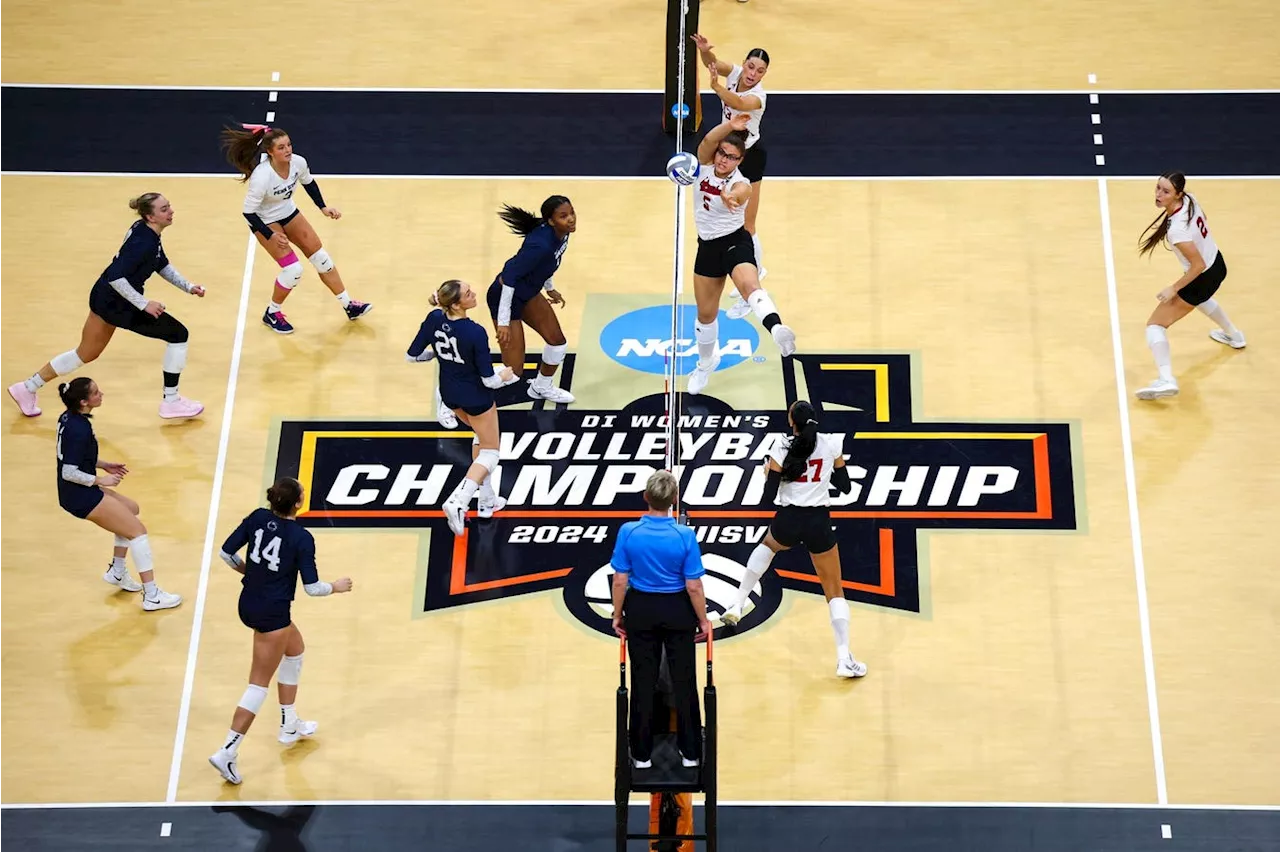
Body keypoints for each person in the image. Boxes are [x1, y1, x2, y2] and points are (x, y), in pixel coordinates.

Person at [209, 477, 353, 785]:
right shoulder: (301, 537)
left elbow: (226, 553)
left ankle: (289, 723)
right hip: (272, 613)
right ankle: (227, 751)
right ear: (298, 503)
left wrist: (249, 571)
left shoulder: (258, 517)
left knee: (296, 650)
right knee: (257, 686)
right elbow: (313, 588)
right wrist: (337, 588)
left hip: (248, 601)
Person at [8, 194, 206, 420]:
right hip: (119, 302)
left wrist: (188, 286)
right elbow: (116, 277)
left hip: (103, 297)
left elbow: (160, 263)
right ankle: (171, 402)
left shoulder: (145, 231)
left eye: (168, 206)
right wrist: (144, 304)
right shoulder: (144, 243)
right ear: (150, 216)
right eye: (164, 209)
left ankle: (27, 387)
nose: (171, 211)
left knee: (85, 353)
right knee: (178, 335)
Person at [723, 400, 867, 679]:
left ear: (792, 423)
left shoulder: (780, 447)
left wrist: (770, 474)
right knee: (834, 590)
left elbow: (768, 497)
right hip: (818, 522)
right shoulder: (830, 444)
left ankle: (737, 603)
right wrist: (823, 475)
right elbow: (845, 486)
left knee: (767, 546)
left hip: (789, 519)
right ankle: (843, 658)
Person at [221, 124, 373, 335]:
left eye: (289, 145)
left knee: (322, 259)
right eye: (281, 147)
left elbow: (309, 183)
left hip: (288, 212)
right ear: (270, 152)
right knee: (293, 270)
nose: (288, 150)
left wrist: (323, 207)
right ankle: (272, 313)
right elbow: (248, 213)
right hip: (264, 221)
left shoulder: (298, 163)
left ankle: (349, 305)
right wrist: (270, 234)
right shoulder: (261, 177)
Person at [687, 115, 796, 396]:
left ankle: (777, 330)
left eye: (732, 157)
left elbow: (740, 194)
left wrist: (731, 198)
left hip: (734, 243)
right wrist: (730, 126)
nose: (724, 160)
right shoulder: (703, 167)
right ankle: (706, 363)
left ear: (739, 161)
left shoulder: (742, 182)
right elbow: (709, 140)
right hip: (707, 247)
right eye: (722, 153)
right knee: (705, 316)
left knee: (750, 287)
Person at [52, 377, 183, 610]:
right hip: (78, 495)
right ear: (83, 402)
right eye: (95, 392)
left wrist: (102, 464)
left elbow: (77, 457)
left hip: (79, 489)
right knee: (138, 532)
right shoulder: (78, 429)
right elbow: (69, 472)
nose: (101, 394)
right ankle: (152, 595)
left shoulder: (69, 418)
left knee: (131, 509)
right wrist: (101, 480)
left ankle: (118, 571)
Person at [610, 470, 711, 770]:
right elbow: (693, 585)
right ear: (674, 501)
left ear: (646, 497)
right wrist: (703, 621)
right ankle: (691, 752)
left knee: (642, 682)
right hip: (677, 611)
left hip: (641, 610)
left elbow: (619, 580)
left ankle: (640, 755)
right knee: (684, 681)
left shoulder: (629, 532)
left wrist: (618, 615)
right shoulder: (684, 535)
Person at [407, 280, 519, 534]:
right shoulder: (474, 332)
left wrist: (436, 353)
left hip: (450, 394)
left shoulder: (434, 318)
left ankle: (487, 500)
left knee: (479, 437)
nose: (474, 294)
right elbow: (488, 379)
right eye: (468, 294)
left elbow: (412, 355)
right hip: (475, 397)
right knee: (491, 452)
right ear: (457, 305)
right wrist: (504, 376)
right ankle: (460, 499)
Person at [1134, 172, 1246, 400]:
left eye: (1165, 192)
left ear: (1178, 194)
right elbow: (1203, 225)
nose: (1158, 195)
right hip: (1218, 263)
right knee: (1201, 299)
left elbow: (1197, 265)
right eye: (1157, 188)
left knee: (1155, 326)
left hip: (1203, 274)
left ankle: (1166, 379)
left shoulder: (1177, 230)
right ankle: (1235, 336)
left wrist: (1173, 288)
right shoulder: (1191, 200)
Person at [691, 35, 771, 318]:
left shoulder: (758, 97)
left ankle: (755, 279)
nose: (752, 74)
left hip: (749, 155)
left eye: (759, 71)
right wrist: (705, 53)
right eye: (750, 66)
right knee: (725, 208)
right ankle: (750, 278)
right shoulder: (736, 73)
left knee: (747, 224)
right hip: (729, 149)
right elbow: (713, 64)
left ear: (764, 75)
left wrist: (714, 87)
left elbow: (736, 100)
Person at [486, 196, 577, 405]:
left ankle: (541, 386)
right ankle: (451, 391)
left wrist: (550, 288)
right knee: (513, 371)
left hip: (528, 293)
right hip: (505, 296)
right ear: (551, 221)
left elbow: (547, 265)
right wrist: (503, 322)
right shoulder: (540, 245)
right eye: (564, 216)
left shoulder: (562, 234)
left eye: (572, 213)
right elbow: (509, 277)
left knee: (557, 344)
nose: (571, 219)